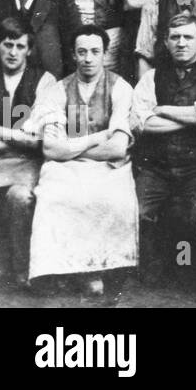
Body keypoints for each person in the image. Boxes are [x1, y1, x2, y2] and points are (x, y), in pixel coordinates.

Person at [27, 25, 137, 296]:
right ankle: (57, 269)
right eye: (82, 52)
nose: (88, 58)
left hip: (108, 166)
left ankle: (95, 268)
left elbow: (117, 148)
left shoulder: (120, 87)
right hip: (66, 166)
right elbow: (51, 150)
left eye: (95, 52)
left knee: (111, 197)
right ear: (74, 55)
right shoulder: (58, 90)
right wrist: (94, 138)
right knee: (55, 196)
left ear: (104, 54)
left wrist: (72, 148)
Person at [131, 11, 196, 287]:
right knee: (138, 210)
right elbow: (142, 124)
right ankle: (155, 270)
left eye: (188, 37)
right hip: (156, 166)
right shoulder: (151, 78)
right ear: (166, 42)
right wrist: (192, 118)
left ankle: (188, 270)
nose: (181, 43)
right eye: (175, 37)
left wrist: (163, 110)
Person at [0, 20, 53, 287]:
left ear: (29, 50)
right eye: (8, 45)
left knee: (19, 197)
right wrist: (20, 136)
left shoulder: (45, 81)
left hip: (28, 167)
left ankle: (23, 268)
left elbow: (39, 140)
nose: (13, 52)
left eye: (20, 46)